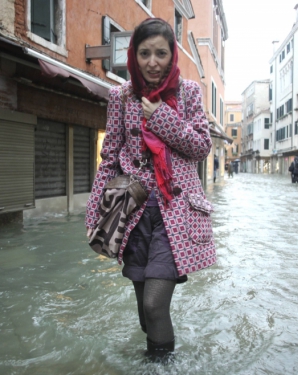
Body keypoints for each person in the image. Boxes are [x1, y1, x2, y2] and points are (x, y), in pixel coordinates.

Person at [85, 18, 216, 361]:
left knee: (155, 305)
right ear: (134, 55)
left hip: (177, 214)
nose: (153, 62)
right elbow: (109, 159)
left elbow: (201, 147)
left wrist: (160, 117)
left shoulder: (188, 93)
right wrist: (93, 214)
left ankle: (160, 368)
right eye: (145, 53)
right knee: (146, 313)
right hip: (133, 212)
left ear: (172, 56)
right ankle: (157, 353)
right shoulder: (119, 97)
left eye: (161, 53)